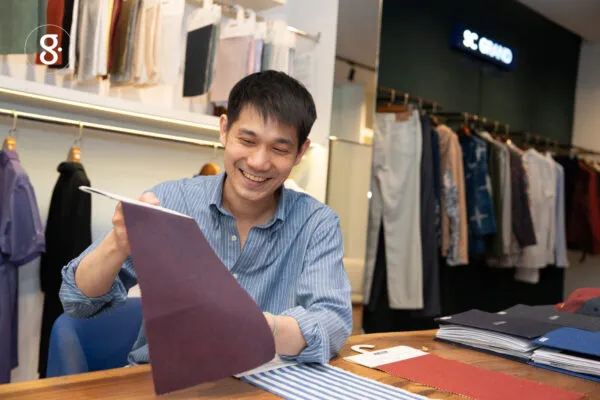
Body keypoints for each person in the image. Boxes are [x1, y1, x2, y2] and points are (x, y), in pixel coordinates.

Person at [59, 71, 353, 365]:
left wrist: (262, 327)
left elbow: (332, 323)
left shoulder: (316, 224)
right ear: (224, 129)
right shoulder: (169, 202)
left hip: (261, 380)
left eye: (279, 149)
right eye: (247, 140)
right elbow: (77, 301)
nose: (259, 162)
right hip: (165, 380)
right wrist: (117, 243)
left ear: (300, 152)